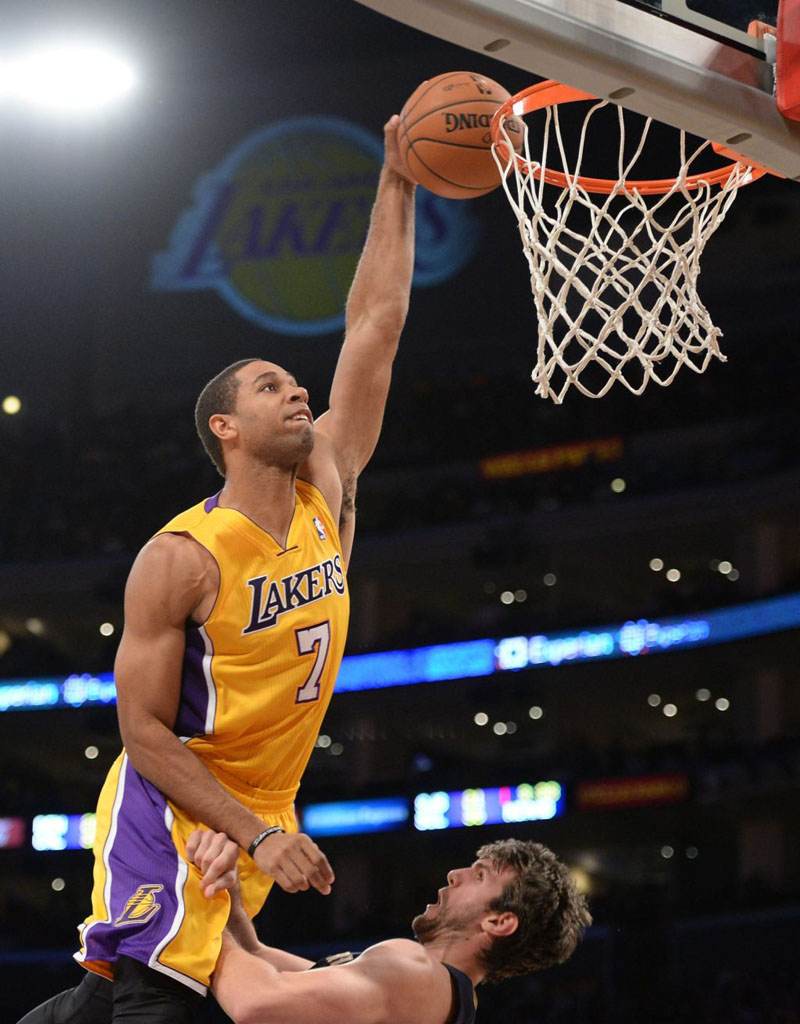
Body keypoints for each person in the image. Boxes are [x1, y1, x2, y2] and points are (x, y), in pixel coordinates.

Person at [17, 114, 417, 1024]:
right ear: (224, 430)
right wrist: (258, 834)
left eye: (297, 384)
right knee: (163, 997)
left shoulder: (328, 491)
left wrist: (399, 183)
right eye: (273, 386)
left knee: (119, 996)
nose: (299, 393)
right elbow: (143, 735)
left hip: (262, 800)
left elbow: (376, 326)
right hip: (175, 802)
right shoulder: (180, 558)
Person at [187, 828, 592, 1024]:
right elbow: (256, 957)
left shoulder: (414, 970)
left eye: (479, 876)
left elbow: (256, 1001)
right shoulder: (444, 999)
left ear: (499, 921)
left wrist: (187, 898)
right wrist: (225, 891)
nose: (454, 874)